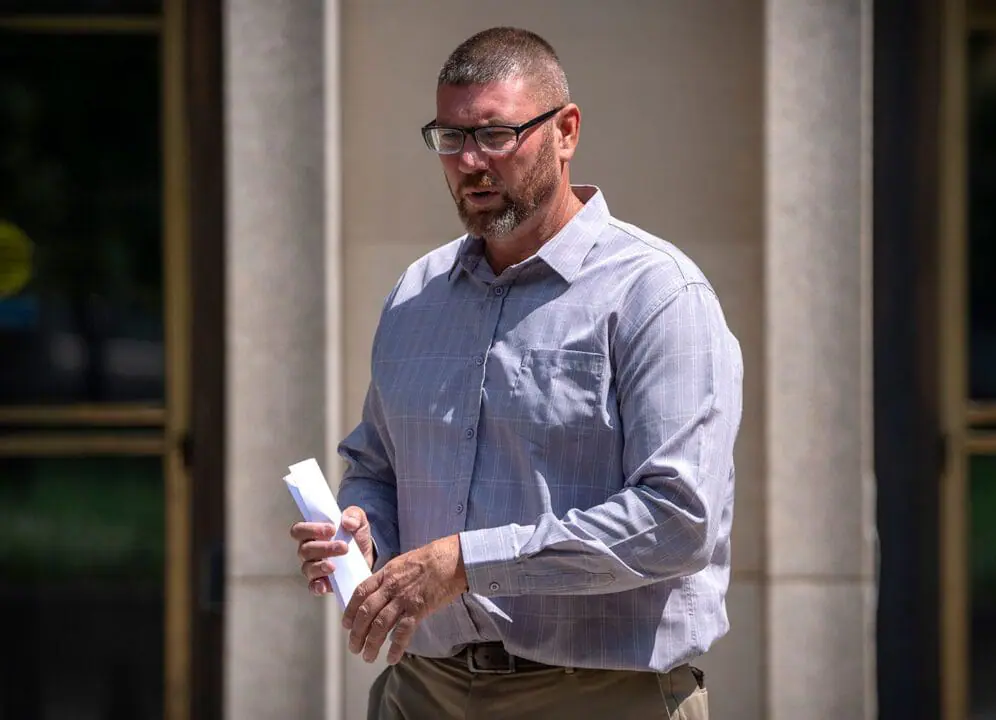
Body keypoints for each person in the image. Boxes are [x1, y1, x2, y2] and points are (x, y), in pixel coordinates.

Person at [290, 26, 743, 720]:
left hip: (599, 697)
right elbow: (378, 466)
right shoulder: (419, 292)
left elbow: (679, 519)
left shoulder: (657, 294)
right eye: (450, 138)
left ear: (566, 131)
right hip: (424, 691)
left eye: (495, 134)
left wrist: (466, 563)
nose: (470, 161)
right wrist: (364, 530)